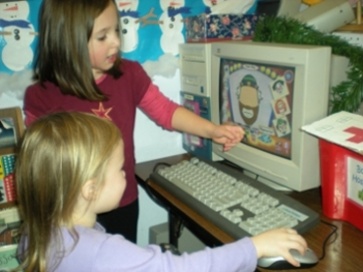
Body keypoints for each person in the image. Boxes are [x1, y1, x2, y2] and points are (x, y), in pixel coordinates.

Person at [23, 0, 244, 243]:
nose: (116, 41)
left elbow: (166, 111)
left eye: (116, 30)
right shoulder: (41, 95)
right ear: (67, 40)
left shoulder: (129, 75)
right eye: (102, 36)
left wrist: (211, 130)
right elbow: (39, 166)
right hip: (68, 212)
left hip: (122, 201)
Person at [15, 112, 308, 272]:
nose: (126, 173)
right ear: (90, 189)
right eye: (120, 169)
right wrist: (254, 247)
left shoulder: (38, 231)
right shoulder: (101, 253)